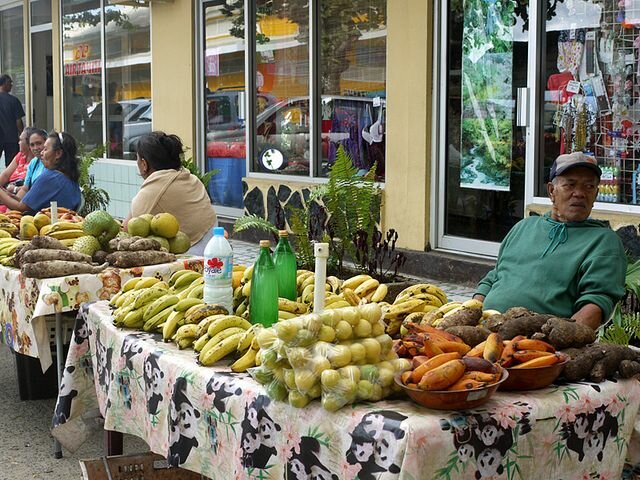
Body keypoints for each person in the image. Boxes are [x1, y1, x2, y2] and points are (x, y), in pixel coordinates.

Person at [473, 152, 627, 330]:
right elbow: (494, 277)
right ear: (551, 191)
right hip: (483, 330)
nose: (580, 193)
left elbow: (596, 304)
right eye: (570, 185)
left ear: (596, 194)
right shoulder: (524, 227)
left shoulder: (603, 241)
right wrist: (471, 313)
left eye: (589, 186)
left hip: (536, 345)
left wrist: (555, 342)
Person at [125, 131, 217, 254]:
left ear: (144, 164)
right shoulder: (190, 178)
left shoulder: (151, 192)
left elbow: (128, 228)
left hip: (190, 256)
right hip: (215, 244)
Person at [0, 131, 81, 214]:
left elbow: (21, 208)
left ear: (58, 154)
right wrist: (7, 195)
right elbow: (28, 203)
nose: (41, 153)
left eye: (45, 149)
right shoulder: (68, 177)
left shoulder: (50, 178)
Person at [0, 74, 25, 167]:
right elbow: (18, 120)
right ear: (4, 84)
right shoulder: (13, 100)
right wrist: (22, 134)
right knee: (11, 165)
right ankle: (7, 181)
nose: (11, 84)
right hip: (11, 138)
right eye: (10, 82)